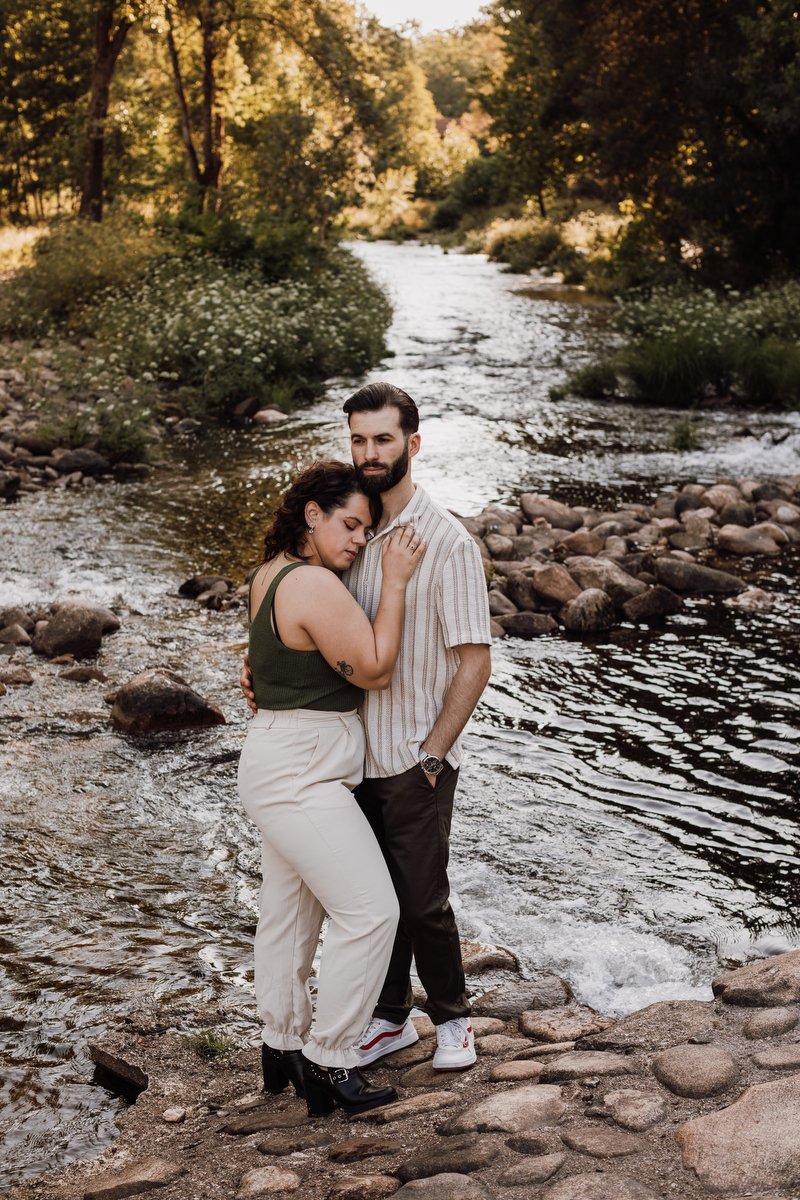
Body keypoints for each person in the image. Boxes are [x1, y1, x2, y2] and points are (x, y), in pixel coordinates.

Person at [242, 384, 492, 1073]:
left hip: (412, 752)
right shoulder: (348, 534)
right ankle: (389, 1017)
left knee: (421, 900)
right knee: (370, 895)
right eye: (359, 439)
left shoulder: (447, 543)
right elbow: (305, 624)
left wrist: (435, 753)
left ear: (413, 443)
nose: (370, 452)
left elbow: (476, 661)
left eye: (383, 439)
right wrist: (262, 669)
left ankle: (454, 1021)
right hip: (346, 762)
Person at [237, 459, 426, 1117]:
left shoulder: (270, 573)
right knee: (371, 912)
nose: (359, 540)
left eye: (366, 530)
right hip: (300, 770)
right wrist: (395, 581)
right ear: (311, 515)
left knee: (289, 915)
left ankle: (282, 1044)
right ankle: (331, 1057)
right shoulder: (313, 582)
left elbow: (270, 659)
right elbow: (372, 669)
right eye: (349, 524)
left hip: (280, 758)